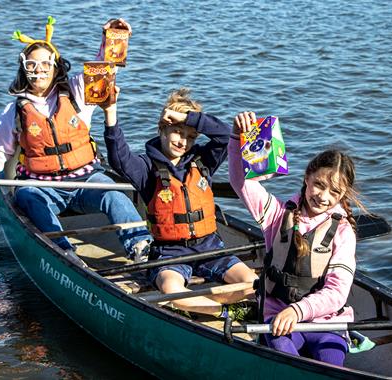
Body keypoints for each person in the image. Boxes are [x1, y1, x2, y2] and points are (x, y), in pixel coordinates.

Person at [0, 16, 151, 265]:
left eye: (46, 65)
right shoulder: (13, 111)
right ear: (24, 68)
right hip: (40, 184)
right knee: (29, 197)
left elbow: (105, 66)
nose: (39, 71)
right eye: (32, 66)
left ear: (56, 67)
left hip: (86, 179)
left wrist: (112, 37)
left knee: (114, 194)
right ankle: (64, 252)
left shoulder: (78, 92)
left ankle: (140, 245)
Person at [104, 87, 258, 317]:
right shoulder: (146, 169)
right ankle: (224, 312)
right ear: (162, 129)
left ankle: (198, 304)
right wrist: (110, 112)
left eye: (190, 136)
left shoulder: (204, 160)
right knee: (171, 289)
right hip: (170, 253)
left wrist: (187, 119)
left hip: (210, 247)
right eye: (177, 132)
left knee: (252, 282)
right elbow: (119, 158)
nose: (183, 141)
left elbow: (226, 135)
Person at [229, 111, 362, 365]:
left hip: (326, 322)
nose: (323, 196)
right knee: (288, 357)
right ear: (306, 178)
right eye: (319, 185)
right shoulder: (277, 215)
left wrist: (298, 310)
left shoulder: (343, 231)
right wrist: (237, 138)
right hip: (279, 317)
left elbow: (337, 292)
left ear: (344, 194)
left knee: (331, 363)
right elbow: (241, 183)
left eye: (334, 192)